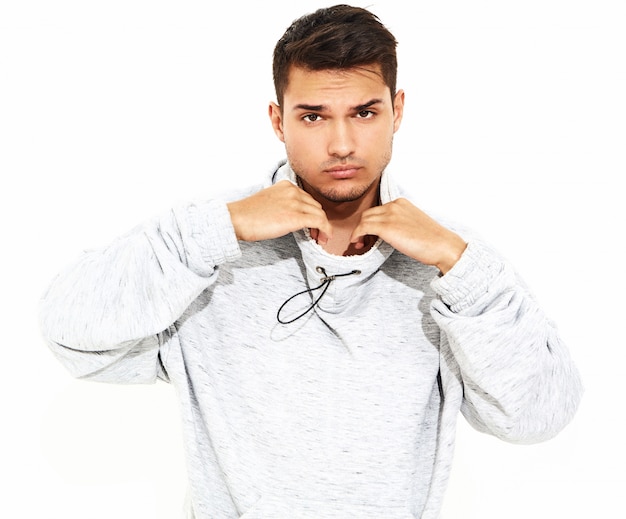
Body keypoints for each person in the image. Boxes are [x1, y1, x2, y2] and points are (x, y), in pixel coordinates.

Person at [39, 4, 583, 518]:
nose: (342, 143)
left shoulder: (450, 268)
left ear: (397, 111)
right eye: (314, 116)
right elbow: (70, 333)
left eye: (364, 112)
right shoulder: (208, 253)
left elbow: (536, 418)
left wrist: (463, 269)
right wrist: (216, 228)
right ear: (279, 121)